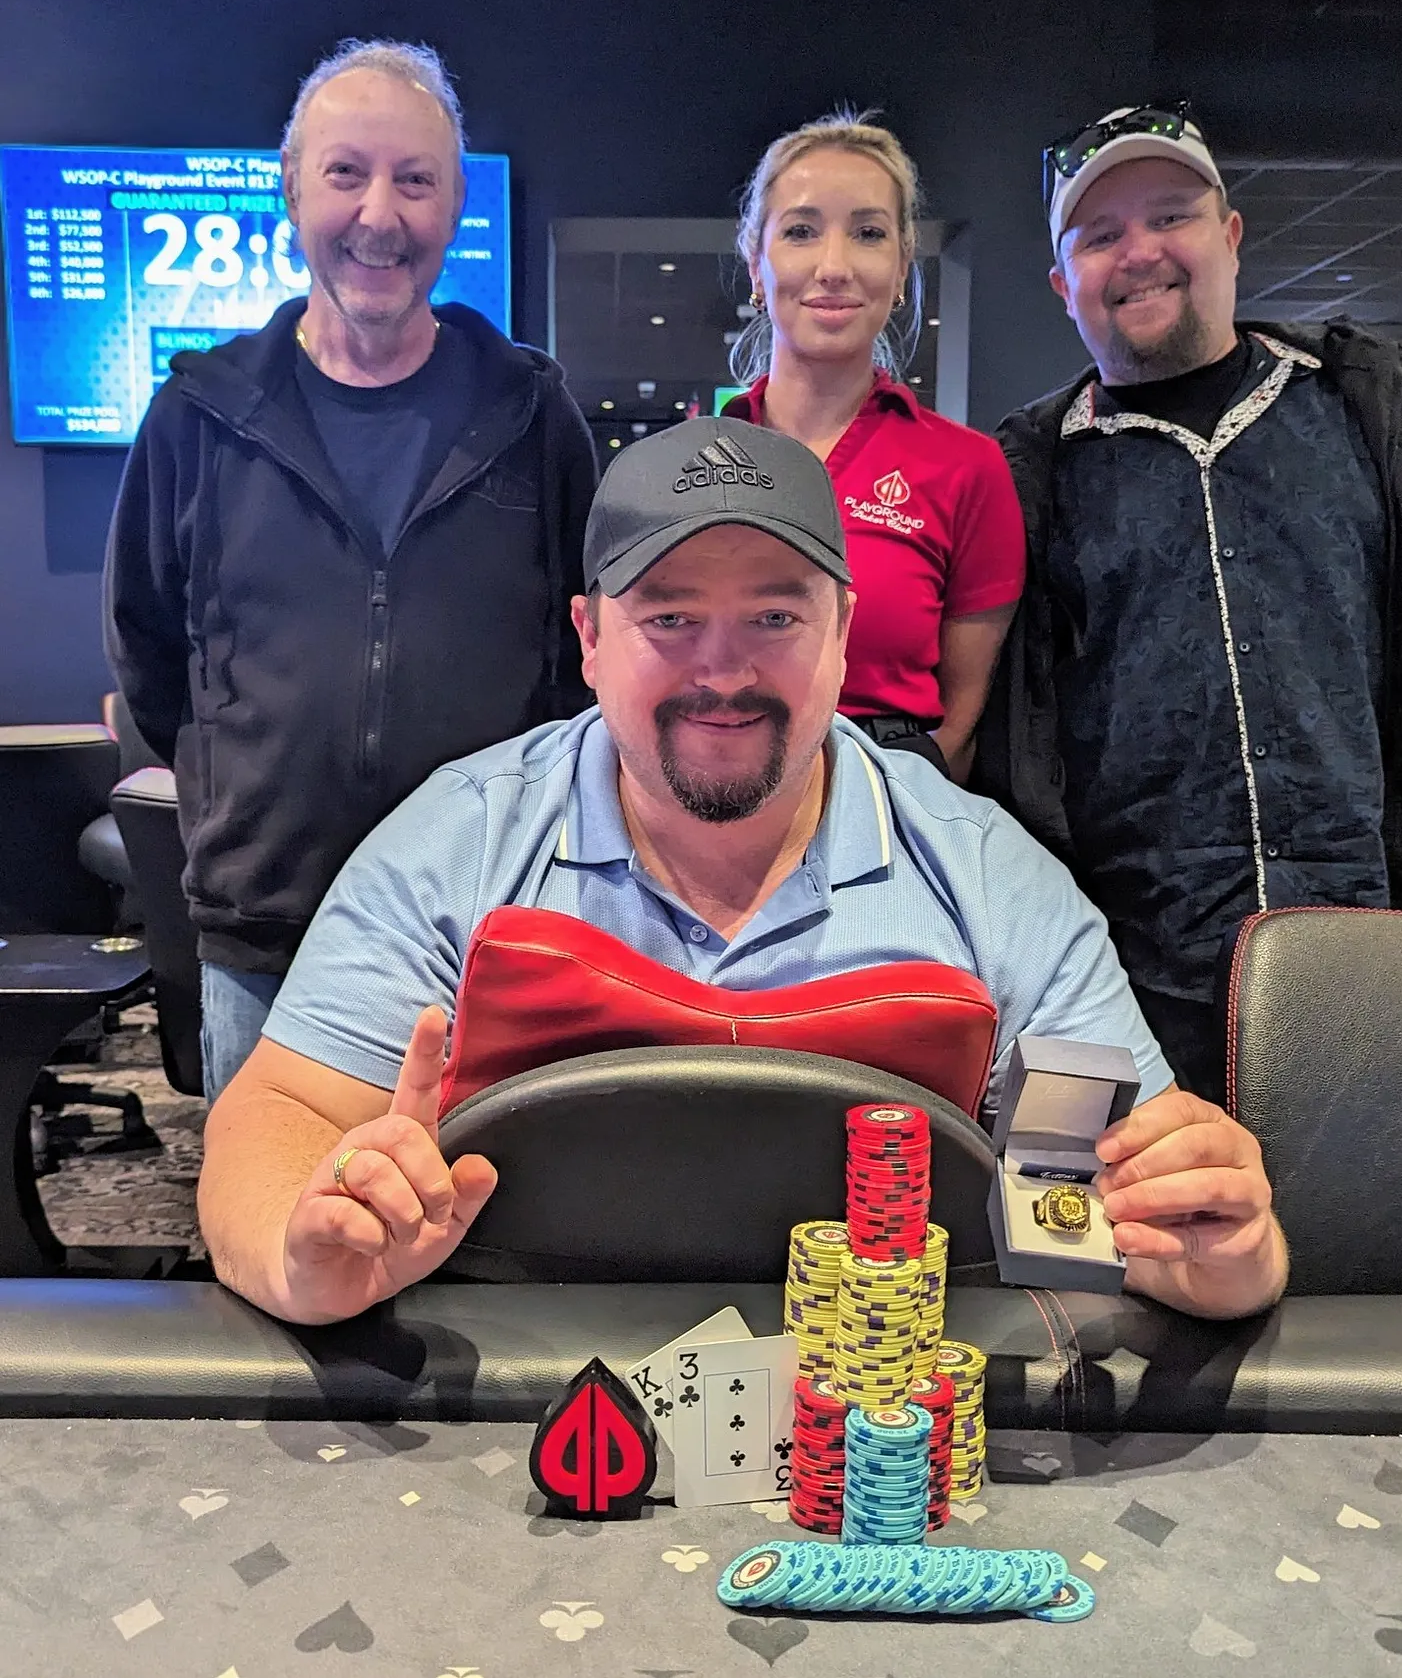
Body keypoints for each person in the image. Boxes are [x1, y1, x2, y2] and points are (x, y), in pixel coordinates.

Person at [196, 415, 1287, 1329]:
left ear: (843, 630)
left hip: (879, 1419)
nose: (722, 671)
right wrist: (309, 1254)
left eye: (774, 615)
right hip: (504, 1399)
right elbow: (274, 1118)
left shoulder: (990, 880)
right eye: (669, 616)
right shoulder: (458, 842)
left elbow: (1106, 1198)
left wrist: (1222, 1258)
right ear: (588, 637)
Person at [977, 102, 1402, 1105]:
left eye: (1170, 216)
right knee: (1139, 1211)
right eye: (1099, 235)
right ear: (1063, 283)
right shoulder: (1029, 472)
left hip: (1375, 955)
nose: (1139, 252)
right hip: (1128, 986)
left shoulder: (1378, 408)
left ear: (1230, 235)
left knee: (1371, 1204)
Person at [104, 39, 597, 1101]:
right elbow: (149, 656)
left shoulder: (531, 414)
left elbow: (580, 658)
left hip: (483, 935)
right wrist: (239, 797)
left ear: (454, 205)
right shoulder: (198, 416)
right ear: (292, 192)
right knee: (276, 1207)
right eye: (346, 173)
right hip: (264, 940)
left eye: (415, 180)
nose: (380, 214)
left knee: (483, 1205)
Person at [720, 113, 1024, 783]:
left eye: (868, 233)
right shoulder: (698, 463)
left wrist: (890, 814)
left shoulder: (968, 468)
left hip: (895, 801)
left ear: (901, 266)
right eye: (801, 231)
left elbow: (965, 721)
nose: (834, 267)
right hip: (720, 793)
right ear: (756, 265)